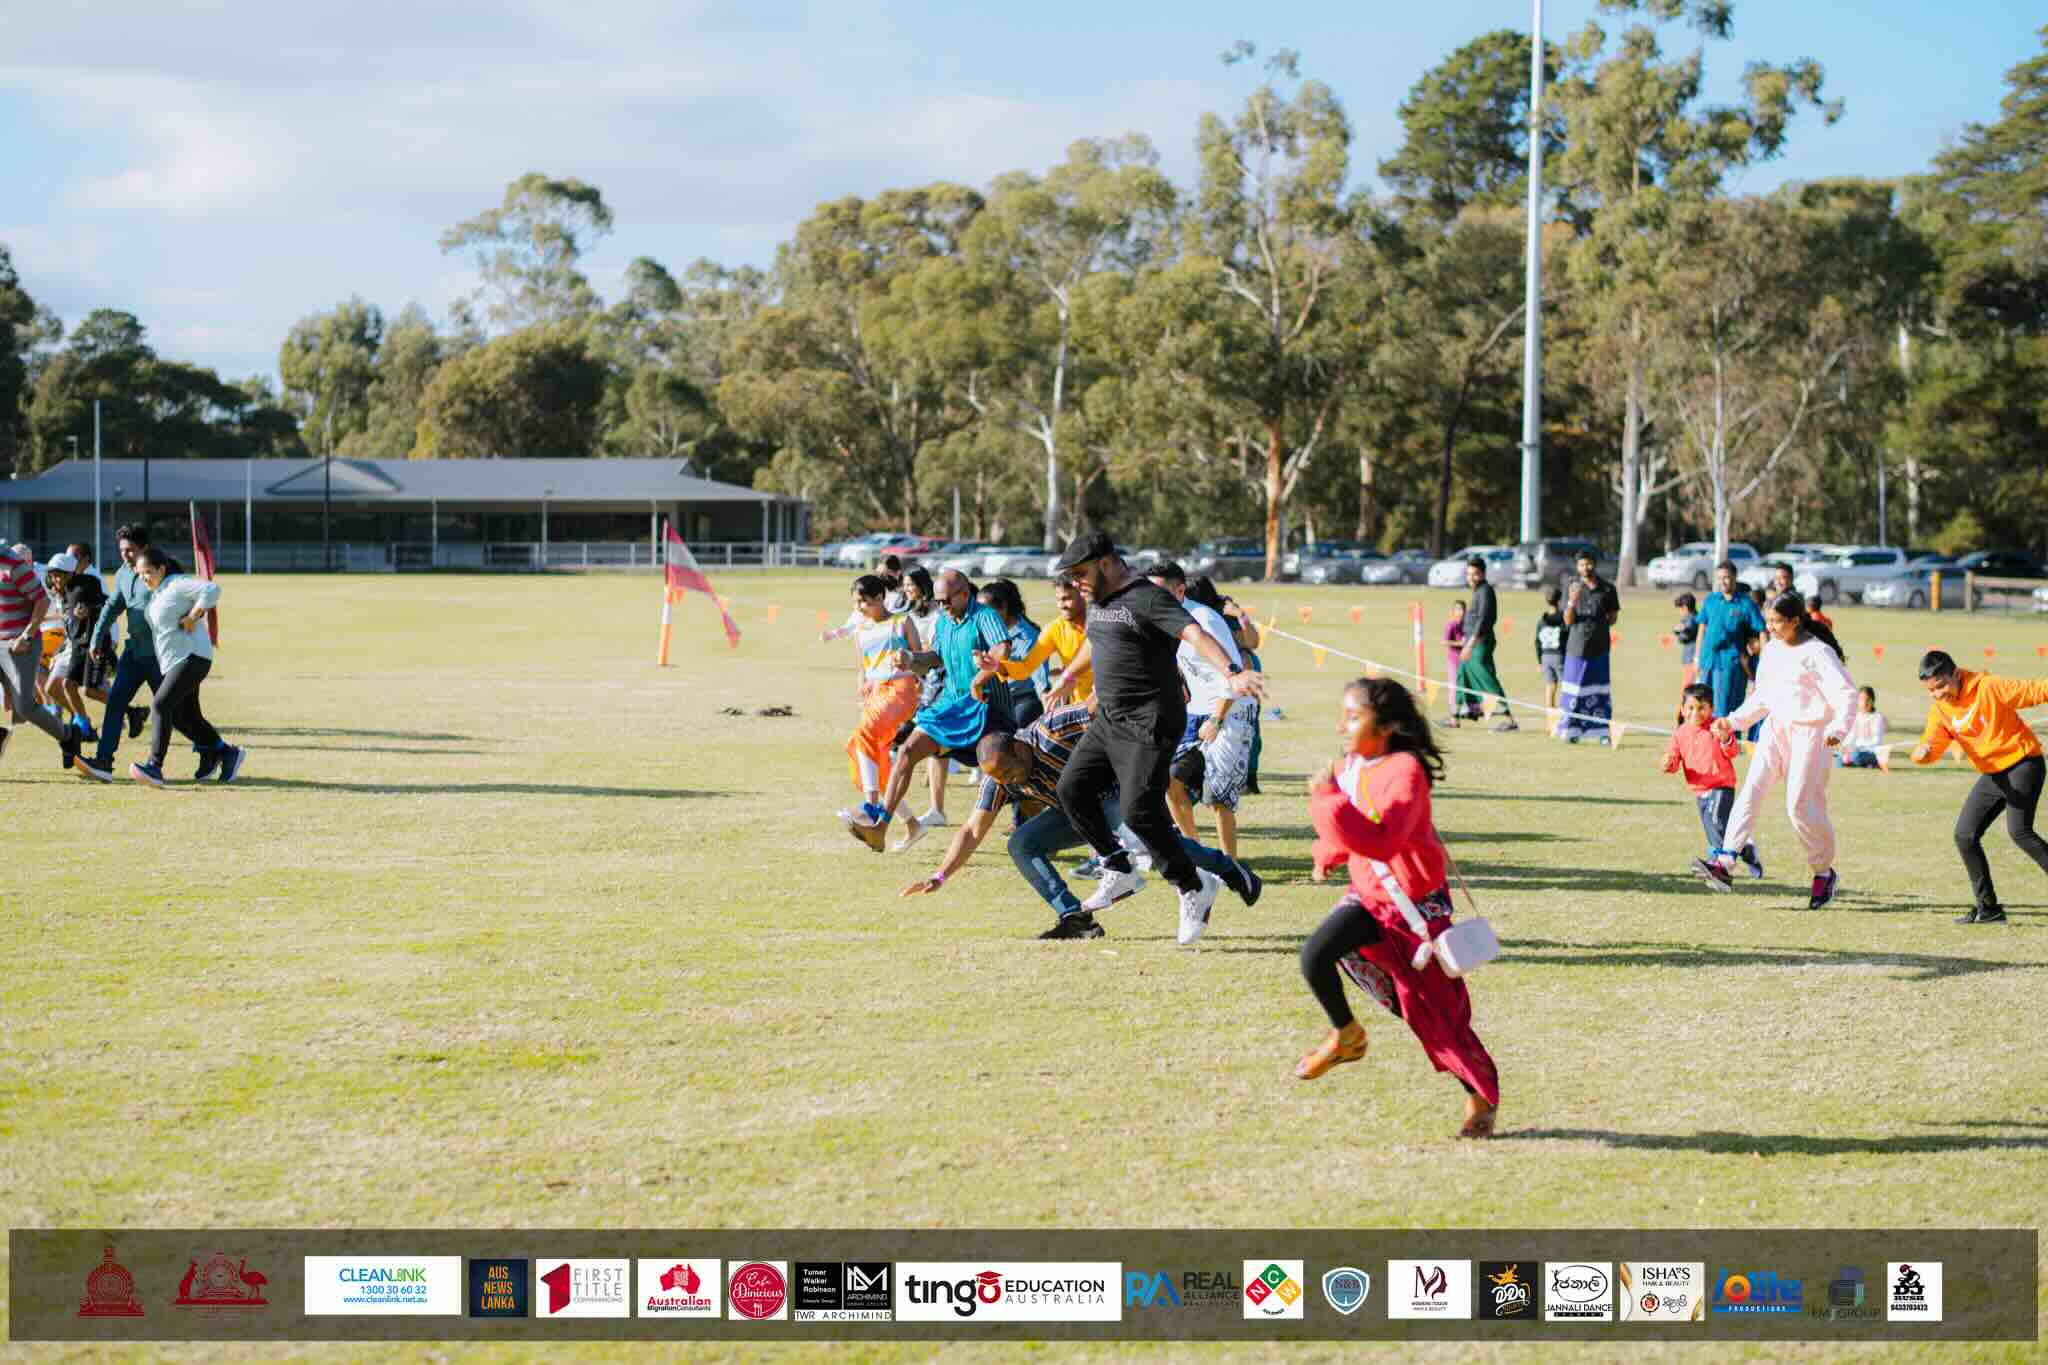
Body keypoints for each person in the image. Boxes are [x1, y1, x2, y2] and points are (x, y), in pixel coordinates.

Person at [1298, 676, 1502, 1139]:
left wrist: (1326, 799)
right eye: (1343, 715)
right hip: (1370, 900)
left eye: (1354, 717)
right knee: (1314, 955)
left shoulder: (1406, 770)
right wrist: (1326, 853)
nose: (1342, 726)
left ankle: (1481, 1096)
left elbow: (1384, 838)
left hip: (1414, 911)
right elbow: (1352, 825)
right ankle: (1347, 1036)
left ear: (1386, 725)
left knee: (1433, 1018)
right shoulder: (1352, 764)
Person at [1043, 532, 1263, 944]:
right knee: (1071, 790)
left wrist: (1232, 673)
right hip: (1109, 718)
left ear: (1106, 562)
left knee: (1139, 810)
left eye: (1080, 573)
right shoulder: (1099, 600)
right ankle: (1118, 867)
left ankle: (1194, 885)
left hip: (1151, 720)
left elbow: (1194, 634)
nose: (1076, 584)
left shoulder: (1148, 597)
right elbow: (1099, 639)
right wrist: (1071, 675)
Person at [898, 705, 1262, 941]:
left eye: (1009, 770)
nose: (1009, 781)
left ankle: (1228, 869)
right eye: (1000, 777)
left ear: (1019, 748)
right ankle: (1076, 919)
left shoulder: (1051, 730)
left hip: (1119, 791)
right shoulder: (1000, 778)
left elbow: (1104, 711)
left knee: (1149, 843)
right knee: (1022, 843)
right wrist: (940, 876)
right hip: (1079, 815)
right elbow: (972, 830)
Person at [1697, 592, 1854, 907]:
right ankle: (1725, 863)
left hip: (1812, 735)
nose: (1770, 627)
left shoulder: (1818, 653)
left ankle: (1823, 872)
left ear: (1795, 621)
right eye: (1767, 620)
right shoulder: (1771, 650)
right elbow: (1762, 697)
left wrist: (1838, 730)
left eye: (1776, 621)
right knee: (1751, 790)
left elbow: (1846, 695)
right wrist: (1732, 721)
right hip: (1775, 729)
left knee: (1799, 806)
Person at [855, 568, 1010, 852]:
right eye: (939, 601)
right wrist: (911, 659)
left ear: (965, 594)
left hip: (987, 708)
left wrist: (983, 674)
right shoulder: (944, 622)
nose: (943, 606)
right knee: (905, 753)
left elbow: (1002, 648)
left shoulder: (984, 616)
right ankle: (881, 828)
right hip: (949, 705)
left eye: (948, 600)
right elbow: (934, 659)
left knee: (1008, 776)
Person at [1910, 650, 2048, 924]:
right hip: (1993, 773)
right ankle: (1989, 909)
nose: (1938, 694)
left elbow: (2035, 691)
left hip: (2023, 762)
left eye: (1941, 686)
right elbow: (1932, 742)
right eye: (1931, 690)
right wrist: (1922, 754)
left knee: (2019, 832)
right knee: (1965, 835)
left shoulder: (1988, 687)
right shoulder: (1941, 708)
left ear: (1955, 673)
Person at [1148, 561, 1257, 860]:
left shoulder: (1204, 621)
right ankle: (1196, 855)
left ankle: (1229, 864)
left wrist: (1216, 718)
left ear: (1180, 590)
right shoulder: (1161, 621)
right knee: (1170, 783)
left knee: (1218, 798)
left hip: (1230, 711)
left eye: (1158, 591)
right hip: (1194, 714)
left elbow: (1231, 677)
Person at [119, 544, 245, 788]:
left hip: (192, 657)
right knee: (183, 716)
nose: (144, 577)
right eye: (140, 574)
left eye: (148, 572)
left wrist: (193, 617)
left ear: (161, 569)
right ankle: (222, 752)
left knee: (160, 704)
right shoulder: (156, 594)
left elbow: (211, 589)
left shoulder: (177, 583)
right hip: (174, 662)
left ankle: (154, 766)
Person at [835, 574, 924, 838]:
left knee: (863, 736)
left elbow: (920, 660)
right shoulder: (860, 629)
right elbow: (862, 667)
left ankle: (872, 807)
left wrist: (911, 666)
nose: (859, 608)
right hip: (875, 695)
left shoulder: (902, 622)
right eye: (855, 603)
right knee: (874, 756)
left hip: (901, 691)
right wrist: (862, 687)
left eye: (863, 602)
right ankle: (912, 824)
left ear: (879, 597)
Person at [77, 524, 163, 779]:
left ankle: (215, 750)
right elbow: (112, 607)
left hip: (162, 655)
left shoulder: (163, 569)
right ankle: (103, 761)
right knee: (115, 703)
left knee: (175, 711)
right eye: (122, 550)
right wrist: (95, 638)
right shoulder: (123, 574)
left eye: (130, 550)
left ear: (144, 548)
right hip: (133, 653)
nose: (125, 554)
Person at [1661, 683, 1763, 881]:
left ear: (1711, 709)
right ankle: (1746, 849)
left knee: (1715, 821)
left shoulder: (1718, 726)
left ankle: (1718, 865)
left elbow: (1732, 752)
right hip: (1699, 790)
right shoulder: (1680, 733)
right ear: (1682, 709)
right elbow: (1673, 758)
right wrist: (1668, 763)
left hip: (1721, 786)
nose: (1696, 713)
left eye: (1702, 708)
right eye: (1691, 708)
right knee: (1716, 828)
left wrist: (1725, 738)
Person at [0, 540, 81, 767]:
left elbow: (42, 600)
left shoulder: (15, 566)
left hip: (22, 644)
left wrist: (27, 635)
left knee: (24, 706)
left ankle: (68, 735)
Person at [994, 578, 1091, 703]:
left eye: (1067, 599)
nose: (1061, 605)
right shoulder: (1054, 629)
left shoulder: (1103, 624)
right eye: (1058, 599)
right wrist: (996, 666)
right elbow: (1026, 667)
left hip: (1111, 702)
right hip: (1079, 706)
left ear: (1083, 596)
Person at [1559, 549, 1620, 743]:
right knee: (1574, 691)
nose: (1586, 567)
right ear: (1577, 567)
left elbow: (1613, 617)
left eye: (1589, 563)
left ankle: (1602, 733)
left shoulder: (1608, 588)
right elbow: (1567, 621)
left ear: (1595, 564)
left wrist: (1598, 625)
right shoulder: (1570, 586)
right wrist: (1571, 602)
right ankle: (1571, 732)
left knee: (1599, 692)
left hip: (1600, 648)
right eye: (1582, 564)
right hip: (1576, 649)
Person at [1693, 563, 1766, 721]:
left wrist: (1765, 658)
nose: (1723, 582)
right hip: (1707, 662)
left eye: (1726, 577)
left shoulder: (1746, 604)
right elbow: (1701, 630)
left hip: (1730, 665)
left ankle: (1728, 745)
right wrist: (1697, 659)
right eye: (1719, 578)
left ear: (1734, 577)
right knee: (1701, 708)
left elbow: (1762, 630)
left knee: (1724, 711)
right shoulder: (1710, 600)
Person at [976, 578, 1046, 732]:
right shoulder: (985, 630)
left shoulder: (1028, 636)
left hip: (1022, 700)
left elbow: (1039, 677)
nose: (982, 617)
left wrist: (1048, 699)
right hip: (993, 698)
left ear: (1003, 608)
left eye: (986, 612)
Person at [1455, 556, 1516, 731]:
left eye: (1475, 574)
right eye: (1468, 574)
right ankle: (1458, 715)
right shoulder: (1477, 591)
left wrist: (1470, 644)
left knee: (1486, 679)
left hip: (1479, 643)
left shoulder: (1486, 591)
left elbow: (1485, 619)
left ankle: (1510, 719)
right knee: (1462, 677)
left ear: (1483, 574)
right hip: (1470, 642)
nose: (1471, 578)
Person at [1534, 585, 1566, 737]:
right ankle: (1565, 722)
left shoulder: (1542, 620)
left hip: (1545, 656)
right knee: (1565, 689)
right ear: (1559, 600)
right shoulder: (1563, 618)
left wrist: (1540, 660)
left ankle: (1550, 725)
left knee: (1550, 689)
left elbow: (1537, 641)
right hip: (1559, 655)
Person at [1838, 686, 1887, 769]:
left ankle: (1871, 762)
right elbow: (1852, 736)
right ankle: (1861, 763)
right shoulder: (1857, 717)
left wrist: (1857, 747)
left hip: (1871, 752)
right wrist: (1845, 746)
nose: (1864, 703)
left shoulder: (1878, 718)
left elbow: (1876, 741)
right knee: (1839, 759)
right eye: (1861, 700)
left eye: (1867, 700)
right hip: (1856, 750)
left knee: (1856, 756)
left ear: (1872, 701)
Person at [1441, 601, 1473, 723]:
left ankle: (1467, 709)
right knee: (1454, 686)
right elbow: (1444, 642)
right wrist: (1459, 644)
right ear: (1453, 611)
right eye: (1458, 609)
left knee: (1466, 685)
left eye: (1463, 609)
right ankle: (1453, 715)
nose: (1461, 612)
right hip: (1453, 660)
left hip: (1466, 660)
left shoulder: (1467, 626)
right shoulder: (1451, 625)